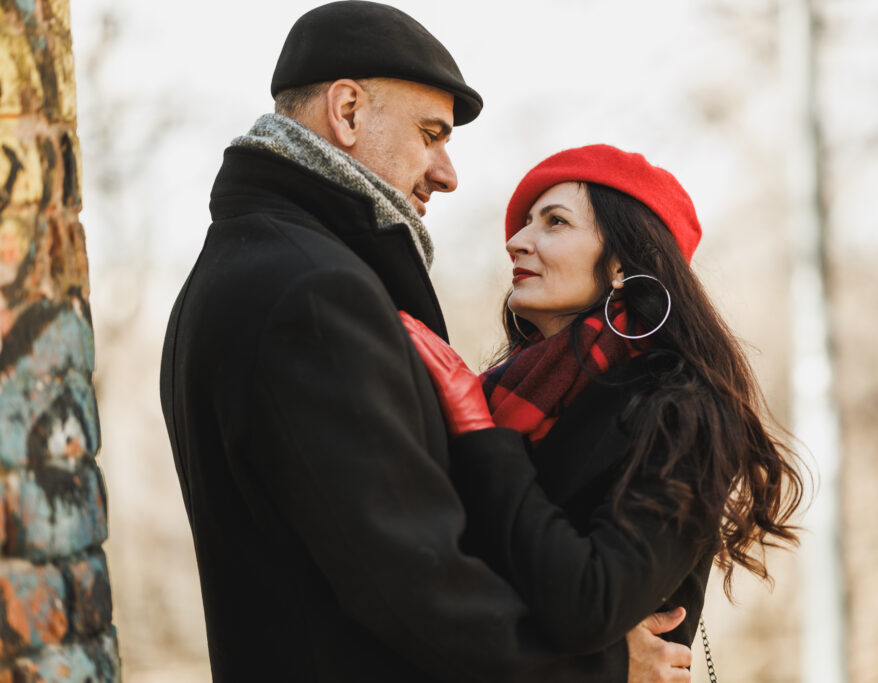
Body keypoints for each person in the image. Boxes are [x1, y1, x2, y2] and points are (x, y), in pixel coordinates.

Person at [159, 2, 691, 681]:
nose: (447, 172)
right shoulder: (314, 294)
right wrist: (604, 670)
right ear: (346, 111)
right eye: (430, 133)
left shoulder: (247, 264)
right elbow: (415, 588)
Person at [402, 144, 805, 661]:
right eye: (525, 223)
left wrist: (481, 436)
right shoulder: (501, 394)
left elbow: (590, 604)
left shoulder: (682, 411)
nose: (517, 242)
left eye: (554, 222)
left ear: (621, 261)